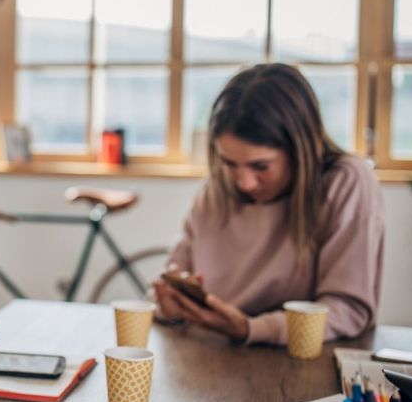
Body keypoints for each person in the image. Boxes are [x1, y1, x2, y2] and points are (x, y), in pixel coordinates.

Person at [154, 63, 384, 345]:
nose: (245, 183)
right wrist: (172, 307)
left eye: (260, 166)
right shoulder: (216, 188)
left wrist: (251, 328)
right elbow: (172, 279)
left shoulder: (346, 181)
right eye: (229, 163)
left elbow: (348, 308)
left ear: (300, 149)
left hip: (301, 361)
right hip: (209, 355)